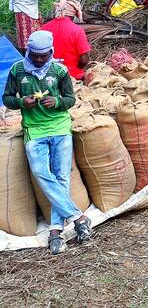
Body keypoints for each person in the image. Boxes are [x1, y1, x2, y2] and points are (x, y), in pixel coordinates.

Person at [2, 31, 92, 255]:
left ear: (51, 52)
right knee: (41, 173)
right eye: (35, 55)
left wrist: (59, 102)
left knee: (61, 177)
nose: (40, 60)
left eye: (44, 55)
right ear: (28, 52)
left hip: (60, 128)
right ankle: (78, 217)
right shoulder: (17, 70)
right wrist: (23, 101)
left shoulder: (59, 71)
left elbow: (71, 99)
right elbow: (7, 99)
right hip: (34, 130)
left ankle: (55, 232)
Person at [41, 0, 91, 81]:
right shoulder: (77, 30)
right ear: (74, 13)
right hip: (72, 77)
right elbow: (84, 60)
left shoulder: (44, 28)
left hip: (47, 75)